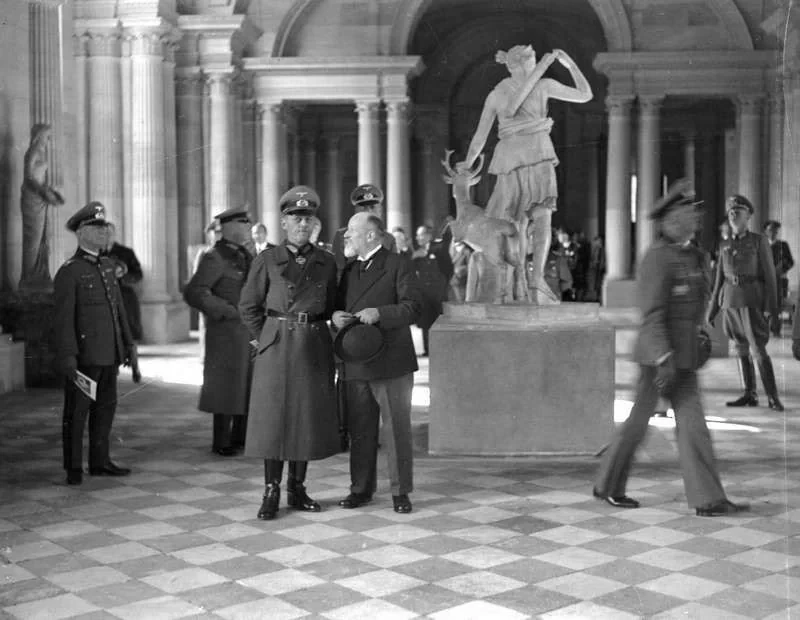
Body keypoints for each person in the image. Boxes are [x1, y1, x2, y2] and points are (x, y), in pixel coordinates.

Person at [595, 180, 749, 517]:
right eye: (689, 213)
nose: (696, 218)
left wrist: (701, 335)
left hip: (686, 357)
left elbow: (696, 304)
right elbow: (652, 315)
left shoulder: (694, 255)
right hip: (658, 360)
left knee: (694, 426)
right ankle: (608, 484)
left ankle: (708, 498)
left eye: (695, 213)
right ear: (670, 220)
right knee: (637, 424)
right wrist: (663, 358)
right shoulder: (657, 259)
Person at [457, 45, 592, 304]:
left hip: (514, 157)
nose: (535, 64)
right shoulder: (536, 86)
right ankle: (532, 281)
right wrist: (569, 64)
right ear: (517, 65)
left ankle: (526, 282)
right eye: (531, 60)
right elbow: (585, 94)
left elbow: (479, 138)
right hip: (535, 154)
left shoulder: (505, 92)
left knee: (516, 223)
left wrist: (467, 163)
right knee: (536, 221)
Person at [239, 186, 340, 521]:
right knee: (274, 421)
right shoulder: (266, 260)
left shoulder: (326, 262)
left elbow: (333, 306)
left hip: (312, 344)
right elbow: (248, 306)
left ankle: (298, 487)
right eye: (295, 218)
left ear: (314, 223)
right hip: (278, 346)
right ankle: (271, 489)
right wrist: (264, 339)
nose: (302, 224)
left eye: (307, 218)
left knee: (305, 418)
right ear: (283, 223)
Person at [333, 212, 422, 514]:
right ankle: (360, 489)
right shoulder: (348, 271)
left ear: (371, 235)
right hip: (356, 361)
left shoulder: (398, 264)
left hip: (391, 363)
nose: (347, 237)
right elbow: (336, 306)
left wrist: (380, 313)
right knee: (360, 429)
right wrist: (335, 316)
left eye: (352, 232)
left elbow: (412, 308)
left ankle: (400, 492)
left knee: (396, 429)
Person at [53, 201, 136, 485]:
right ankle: (74, 468)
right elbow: (64, 321)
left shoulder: (107, 266)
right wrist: (68, 357)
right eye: (96, 227)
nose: (103, 232)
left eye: (103, 227)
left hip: (109, 353)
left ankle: (100, 462)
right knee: (76, 414)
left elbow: (118, 310)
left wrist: (127, 345)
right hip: (85, 356)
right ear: (80, 232)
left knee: (105, 410)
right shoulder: (70, 271)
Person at [184, 207, 254, 457]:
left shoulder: (245, 254)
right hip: (225, 333)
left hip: (247, 334)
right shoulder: (215, 256)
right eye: (244, 224)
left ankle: (241, 437)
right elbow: (194, 291)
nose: (248, 228)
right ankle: (222, 440)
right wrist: (227, 311)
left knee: (245, 384)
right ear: (231, 228)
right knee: (226, 386)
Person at [707, 195, 783, 411]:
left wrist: (772, 309)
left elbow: (770, 276)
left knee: (758, 348)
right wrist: (711, 310)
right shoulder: (725, 244)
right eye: (731, 212)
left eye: (737, 211)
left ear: (748, 216)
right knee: (739, 348)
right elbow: (718, 280)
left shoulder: (758, 241)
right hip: (730, 301)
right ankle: (749, 394)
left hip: (752, 300)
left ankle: (772, 396)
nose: (733, 215)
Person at [20, 123, 65, 289]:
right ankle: (28, 278)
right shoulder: (32, 152)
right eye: (47, 136)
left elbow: (40, 179)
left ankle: (40, 276)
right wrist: (42, 191)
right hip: (32, 198)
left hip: (40, 197)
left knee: (43, 238)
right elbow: (29, 178)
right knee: (32, 239)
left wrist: (50, 191)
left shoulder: (42, 153)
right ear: (39, 136)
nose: (48, 140)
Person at [332, 184, 395, 279]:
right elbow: (338, 271)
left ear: (380, 210)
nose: (368, 211)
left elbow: (394, 272)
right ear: (355, 210)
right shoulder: (342, 235)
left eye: (372, 207)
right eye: (363, 207)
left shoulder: (388, 238)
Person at [412, 224, 453, 356]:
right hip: (423, 293)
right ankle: (427, 349)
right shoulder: (417, 253)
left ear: (428, 236)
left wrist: (442, 286)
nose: (418, 238)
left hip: (437, 292)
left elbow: (448, 269)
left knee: (438, 320)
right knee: (425, 321)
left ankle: (440, 348)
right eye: (417, 235)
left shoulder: (439, 249)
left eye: (420, 234)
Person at [105, 223, 143, 341]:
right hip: (103, 297)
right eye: (104, 233)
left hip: (124, 297)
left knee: (127, 331)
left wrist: (122, 274)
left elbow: (138, 275)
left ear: (114, 234)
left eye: (110, 233)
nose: (107, 236)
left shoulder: (126, 253)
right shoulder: (95, 254)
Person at [763, 220, 794, 336]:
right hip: (764, 280)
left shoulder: (783, 245)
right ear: (766, 231)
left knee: (776, 305)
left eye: (776, 231)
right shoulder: (762, 244)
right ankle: (763, 329)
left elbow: (790, 262)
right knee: (763, 304)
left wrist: (782, 267)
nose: (773, 233)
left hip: (779, 280)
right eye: (771, 230)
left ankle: (775, 329)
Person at [585, 235, 606, 302]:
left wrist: (600, 265)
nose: (599, 242)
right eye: (598, 241)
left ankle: (598, 297)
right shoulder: (594, 249)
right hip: (595, 268)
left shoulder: (602, 249)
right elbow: (592, 258)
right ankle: (596, 297)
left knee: (598, 283)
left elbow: (602, 259)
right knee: (595, 283)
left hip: (599, 268)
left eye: (599, 241)